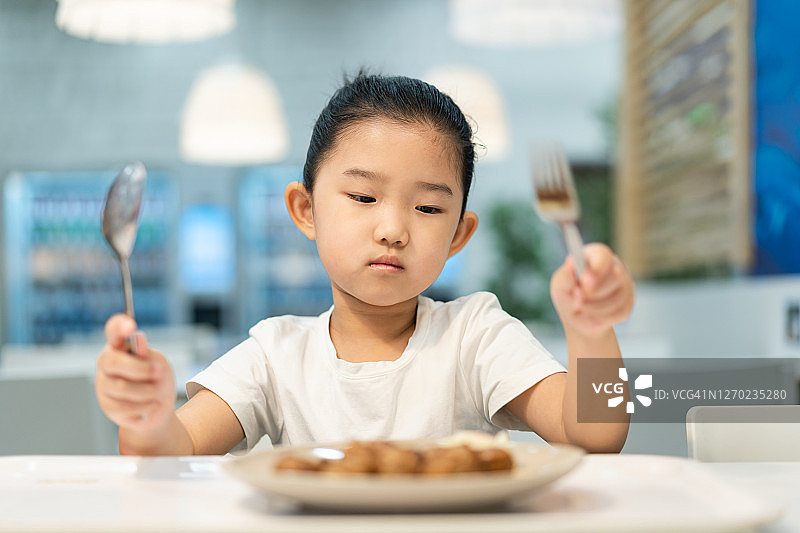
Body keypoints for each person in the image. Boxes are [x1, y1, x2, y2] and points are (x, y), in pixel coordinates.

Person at [95, 73, 634, 456]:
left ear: (458, 235)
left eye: (427, 208)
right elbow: (172, 450)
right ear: (305, 211)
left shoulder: (474, 335)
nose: (393, 229)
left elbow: (596, 433)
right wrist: (145, 415)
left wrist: (592, 331)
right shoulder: (276, 353)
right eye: (361, 197)